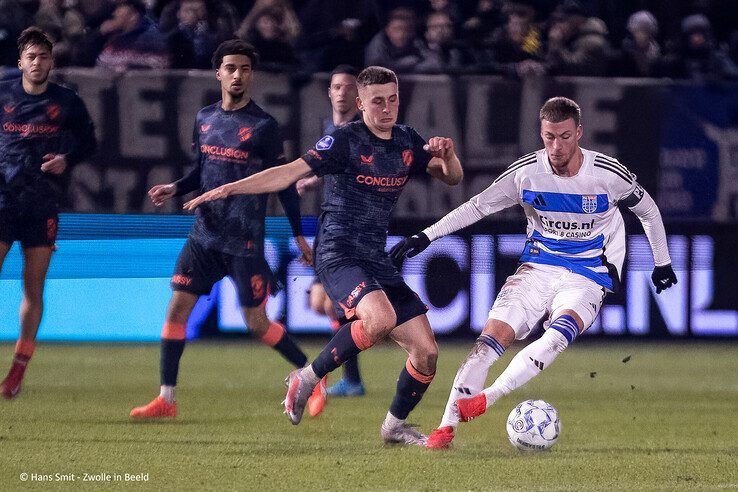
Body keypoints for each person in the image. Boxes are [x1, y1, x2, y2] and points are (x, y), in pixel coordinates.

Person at [183, 66, 464, 445]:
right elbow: (287, 172)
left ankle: (394, 426)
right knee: (379, 319)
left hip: (375, 257)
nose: (386, 108)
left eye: (392, 99)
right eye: (377, 101)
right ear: (361, 103)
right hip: (337, 252)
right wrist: (231, 188)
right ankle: (308, 378)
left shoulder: (406, 141)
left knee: (427, 353)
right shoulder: (345, 140)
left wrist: (448, 155)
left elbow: (452, 178)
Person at [390, 96, 678, 449]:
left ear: (580, 133)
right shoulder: (527, 172)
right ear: (540, 134)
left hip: (587, 273)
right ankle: (444, 429)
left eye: (565, 137)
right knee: (486, 345)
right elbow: (478, 206)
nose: (556, 147)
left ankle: (487, 398)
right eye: (549, 137)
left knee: (558, 335)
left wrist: (662, 261)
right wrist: (426, 235)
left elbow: (648, 210)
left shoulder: (607, 173)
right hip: (538, 267)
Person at [129, 39, 315, 419]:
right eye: (230, 68)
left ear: (251, 75)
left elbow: (284, 183)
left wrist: (298, 234)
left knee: (256, 323)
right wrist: (175, 187)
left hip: (243, 241)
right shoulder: (205, 118)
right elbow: (202, 172)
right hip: (204, 235)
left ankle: (313, 377)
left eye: (244, 69)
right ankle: (166, 399)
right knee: (176, 310)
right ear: (218, 73)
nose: (237, 75)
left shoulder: (263, 126)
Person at [0, 27, 96, 399]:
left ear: (51, 62)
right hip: (4, 198)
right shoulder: (4, 94)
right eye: (32, 57)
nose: (37, 63)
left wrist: (66, 159)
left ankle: (17, 371)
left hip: (42, 203)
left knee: (33, 287)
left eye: (44, 57)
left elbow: (89, 143)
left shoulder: (67, 101)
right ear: (20, 62)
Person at [296, 65, 366, 401]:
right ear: (329, 92)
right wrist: (314, 180)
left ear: (357, 95)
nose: (341, 93)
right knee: (320, 303)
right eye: (335, 87)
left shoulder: (359, 131)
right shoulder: (330, 128)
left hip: (348, 225)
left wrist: (311, 177)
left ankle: (349, 378)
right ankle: (349, 376)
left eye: (347, 87)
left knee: (334, 305)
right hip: (328, 222)